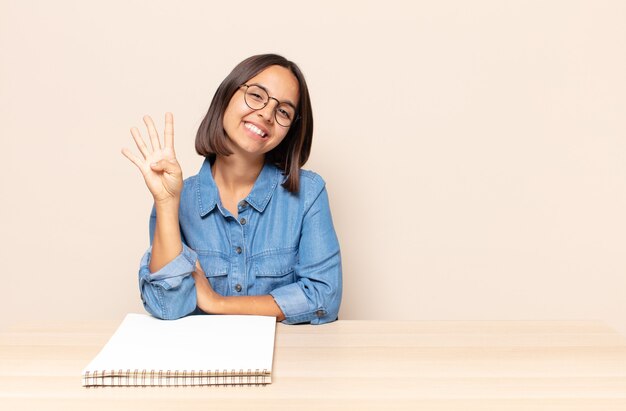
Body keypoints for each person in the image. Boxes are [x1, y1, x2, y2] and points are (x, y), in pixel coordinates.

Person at [122, 54, 342, 324]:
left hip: (286, 360)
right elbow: (168, 306)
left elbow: (324, 298)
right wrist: (167, 203)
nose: (266, 114)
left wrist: (218, 303)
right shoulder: (177, 197)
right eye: (257, 95)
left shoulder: (308, 193)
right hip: (201, 364)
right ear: (227, 95)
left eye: (283, 111)